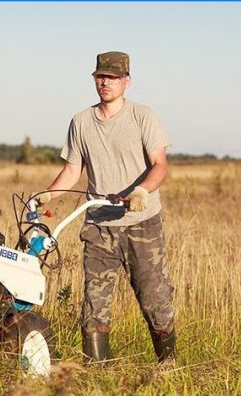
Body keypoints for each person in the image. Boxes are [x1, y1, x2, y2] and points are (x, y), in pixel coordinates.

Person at [35, 51, 175, 363]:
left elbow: (160, 165)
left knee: (154, 298)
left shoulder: (143, 116)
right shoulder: (81, 122)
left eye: (112, 77)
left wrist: (142, 190)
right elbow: (73, 171)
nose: (105, 82)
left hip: (141, 222)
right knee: (94, 304)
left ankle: (168, 366)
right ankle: (97, 374)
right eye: (101, 76)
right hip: (98, 226)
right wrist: (46, 196)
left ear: (127, 81)